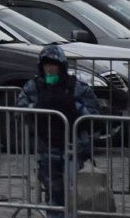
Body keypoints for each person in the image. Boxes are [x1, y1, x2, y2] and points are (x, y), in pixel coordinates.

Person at [14, 43, 100, 214]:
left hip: (74, 148)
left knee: (74, 191)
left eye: (53, 65)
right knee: (55, 192)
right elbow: (19, 111)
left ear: (61, 66)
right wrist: (38, 106)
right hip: (47, 148)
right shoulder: (34, 87)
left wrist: (74, 107)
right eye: (46, 65)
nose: (50, 70)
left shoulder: (77, 87)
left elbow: (95, 117)